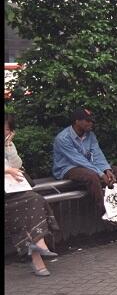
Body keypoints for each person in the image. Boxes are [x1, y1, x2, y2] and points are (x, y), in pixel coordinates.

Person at [5, 114, 60, 277]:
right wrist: (7, 170)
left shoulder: (8, 144)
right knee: (23, 210)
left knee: (34, 200)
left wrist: (8, 145)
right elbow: (10, 169)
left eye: (7, 129)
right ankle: (38, 257)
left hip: (11, 191)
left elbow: (17, 165)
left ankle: (39, 245)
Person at [52, 108, 117, 224]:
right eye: (87, 121)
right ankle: (105, 212)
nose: (91, 123)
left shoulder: (90, 135)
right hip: (68, 168)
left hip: (89, 166)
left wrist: (106, 170)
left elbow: (97, 154)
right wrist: (100, 173)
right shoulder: (63, 138)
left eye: (91, 121)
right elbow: (78, 160)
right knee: (92, 176)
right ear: (77, 121)